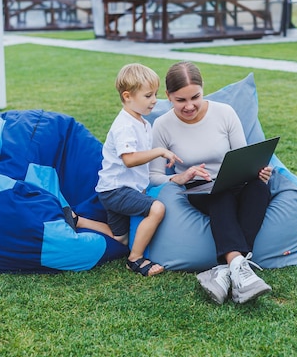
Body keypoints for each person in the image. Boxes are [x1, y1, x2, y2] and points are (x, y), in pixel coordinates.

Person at [150, 61, 273, 304]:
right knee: (221, 196)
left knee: (259, 189)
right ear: (168, 97)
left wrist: (258, 172)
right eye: (180, 100)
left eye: (195, 97)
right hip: (200, 188)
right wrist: (180, 177)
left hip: (235, 181)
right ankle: (241, 271)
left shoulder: (224, 112)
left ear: (203, 88)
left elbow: (242, 155)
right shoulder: (162, 125)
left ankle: (225, 270)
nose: (189, 106)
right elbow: (154, 176)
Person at [96, 63, 182, 277]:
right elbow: (129, 159)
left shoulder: (142, 123)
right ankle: (135, 259)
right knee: (157, 209)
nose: (154, 100)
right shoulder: (125, 125)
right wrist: (159, 151)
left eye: (154, 94)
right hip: (116, 190)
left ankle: (79, 220)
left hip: (113, 189)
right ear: (127, 96)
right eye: (148, 96)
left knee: (120, 240)